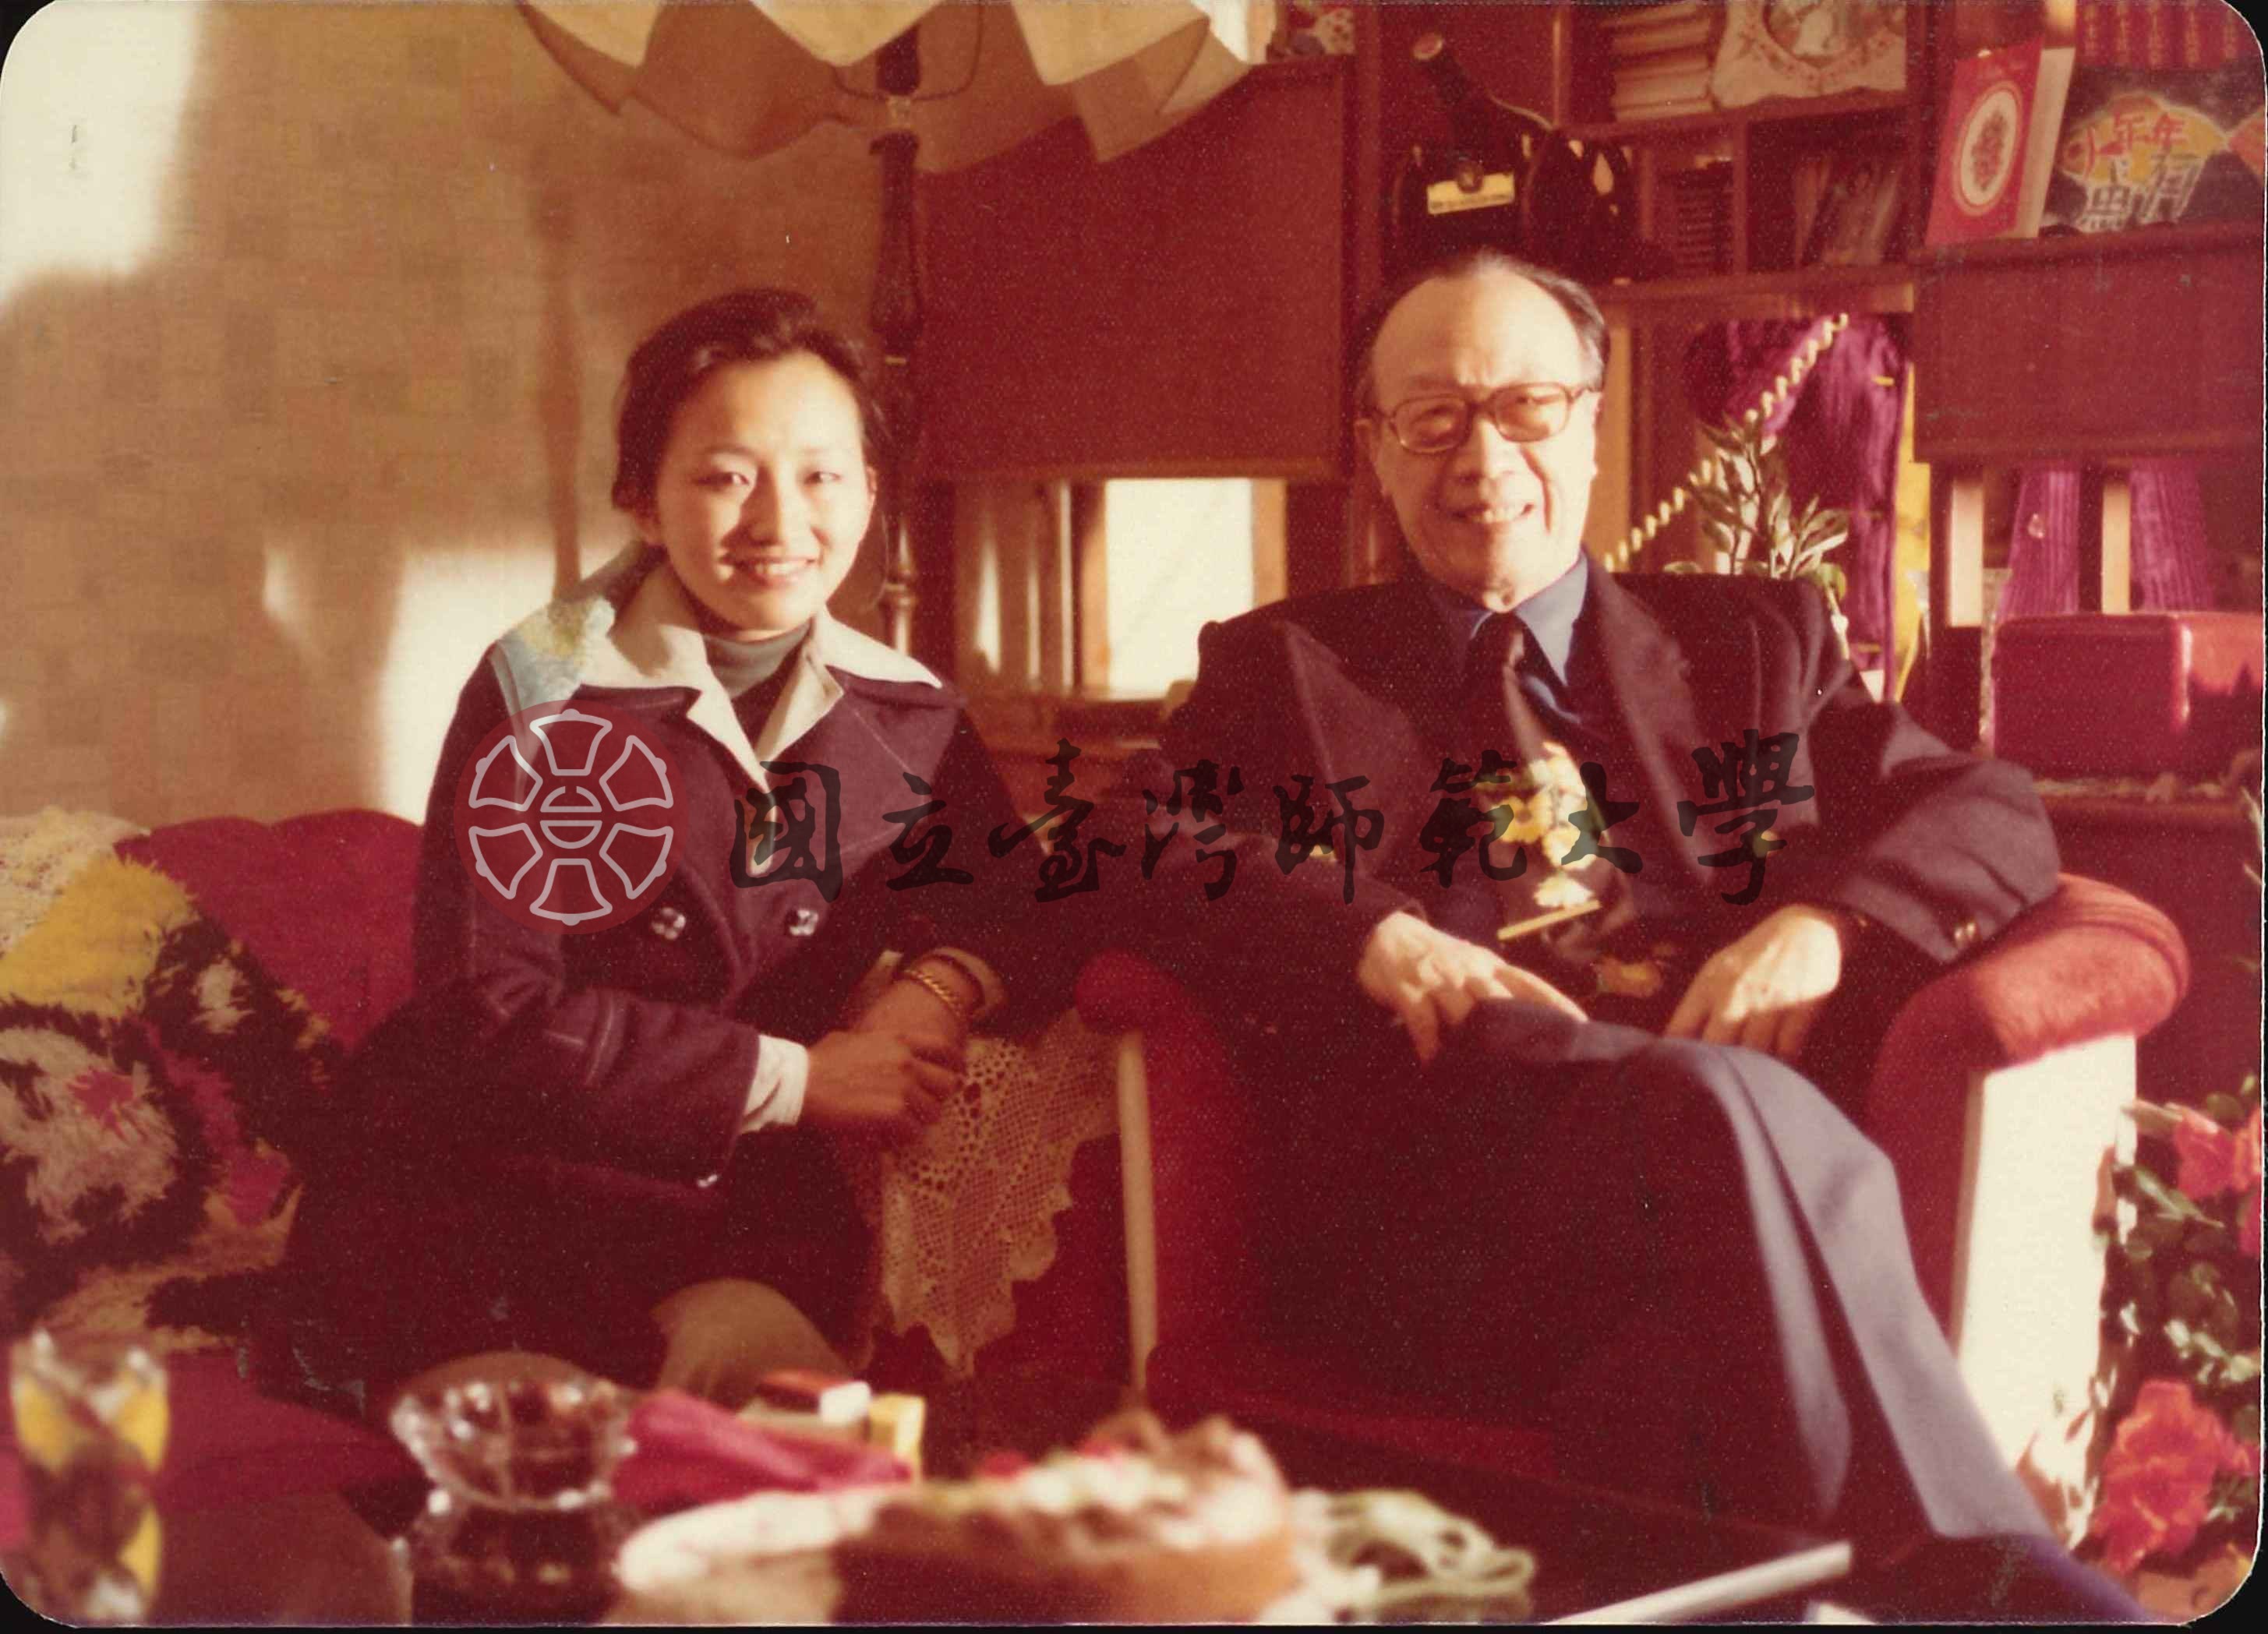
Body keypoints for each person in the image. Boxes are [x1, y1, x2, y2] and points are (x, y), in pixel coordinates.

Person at [1094, 249, 2146, 1618]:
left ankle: (1908, 1589)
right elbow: (1114, 833)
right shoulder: (1283, 665)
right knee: (1715, 1097)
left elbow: (1984, 803)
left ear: (1590, 425)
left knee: (1676, 1387)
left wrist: (1825, 924)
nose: (1483, 459)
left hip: (1720, 1214)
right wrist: (1366, 932)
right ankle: (1998, 1584)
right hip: (1446, 1223)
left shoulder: (1751, 642)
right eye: (1433, 417)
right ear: (1376, 449)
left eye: (1525, 407)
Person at [271, 288, 1053, 1414]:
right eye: (727, 477)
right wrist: (802, 1079)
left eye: (823, 476)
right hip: (483, 1213)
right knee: (544, 1466)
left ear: (872, 494)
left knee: (792, 1441)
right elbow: (491, 1011)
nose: (781, 522)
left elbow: (1025, 897)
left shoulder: (907, 712)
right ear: (641, 501)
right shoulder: (540, 689)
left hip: (733, 1223)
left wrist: (939, 986)